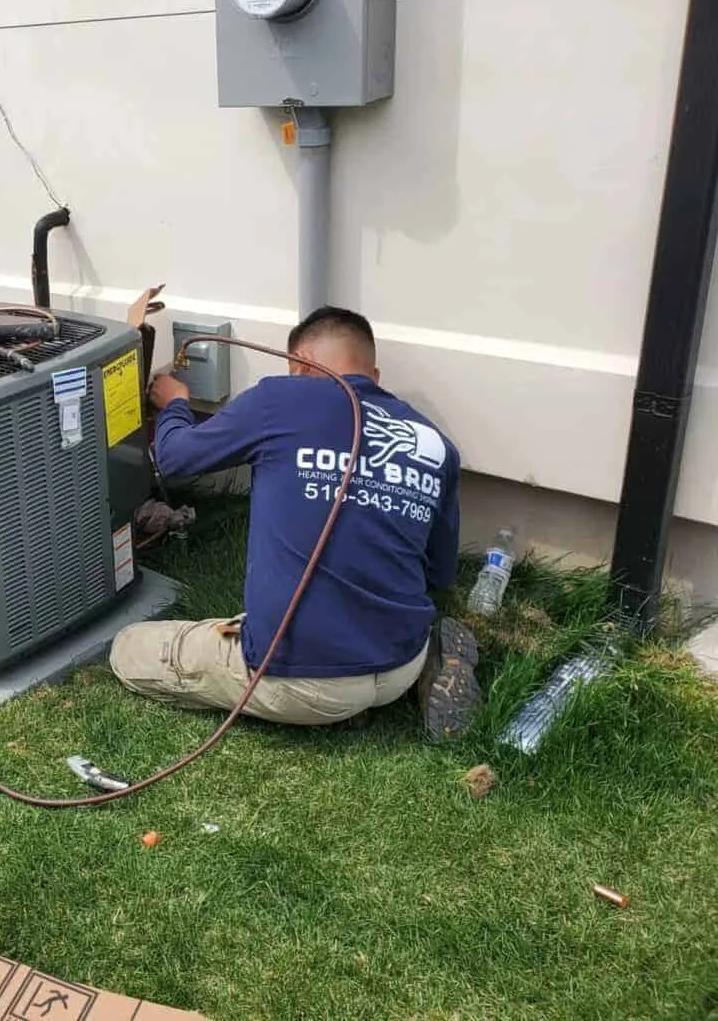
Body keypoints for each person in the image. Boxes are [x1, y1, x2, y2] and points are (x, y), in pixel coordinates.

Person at [110, 306, 481, 739]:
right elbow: (439, 573)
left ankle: (332, 702)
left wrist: (175, 404)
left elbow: (173, 459)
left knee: (127, 648)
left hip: (301, 680)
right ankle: (415, 672)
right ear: (374, 375)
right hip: (401, 659)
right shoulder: (434, 442)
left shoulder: (279, 399)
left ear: (300, 364)